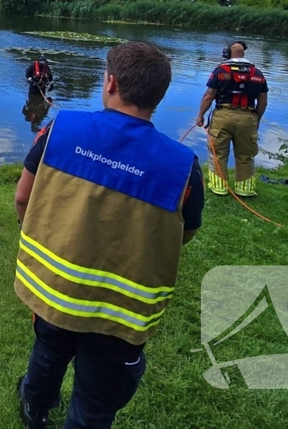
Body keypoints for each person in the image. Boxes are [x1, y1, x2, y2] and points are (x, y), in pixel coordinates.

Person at [14, 41, 204, 429]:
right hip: (121, 312)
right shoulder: (184, 166)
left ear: (110, 82)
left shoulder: (60, 128)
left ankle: (35, 408)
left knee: (47, 355)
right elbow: (186, 232)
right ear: (159, 95)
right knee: (96, 402)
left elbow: (22, 197)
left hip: (54, 288)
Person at [195, 40, 268, 197]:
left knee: (218, 152)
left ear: (228, 53)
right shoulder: (258, 73)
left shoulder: (221, 70)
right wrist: (256, 119)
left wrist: (200, 115)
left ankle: (219, 187)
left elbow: (209, 95)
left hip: (223, 116)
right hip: (248, 117)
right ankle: (245, 189)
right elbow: (263, 102)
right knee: (245, 155)